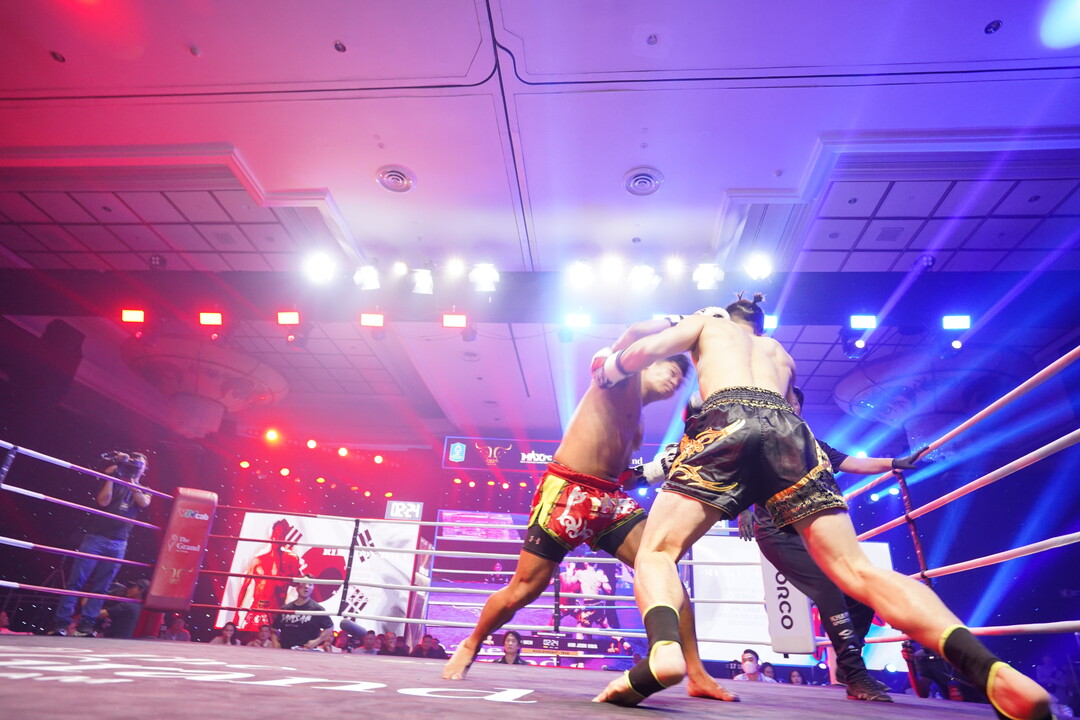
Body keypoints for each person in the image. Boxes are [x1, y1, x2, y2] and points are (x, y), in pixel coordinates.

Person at [591, 293, 1051, 720]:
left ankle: (665, 652)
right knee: (857, 570)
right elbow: (781, 421)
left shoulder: (709, 324)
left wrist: (607, 369)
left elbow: (643, 350)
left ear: (726, 317)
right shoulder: (780, 354)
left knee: (657, 551)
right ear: (761, 326)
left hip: (727, 420)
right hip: (792, 433)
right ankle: (989, 668)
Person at [443, 315, 737, 702]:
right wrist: (681, 321)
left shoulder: (638, 422)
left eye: (681, 379)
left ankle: (695, 672)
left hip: (609, 499)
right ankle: (472, 643)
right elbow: (631, 335)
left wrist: (654, 471)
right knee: (525, 589)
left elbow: (620, 472)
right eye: (670, 368)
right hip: (567, 491)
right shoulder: (618, 379)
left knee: (663, 570)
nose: (674, 380)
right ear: (648, 361)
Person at [733, 385, 928, 702]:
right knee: (829, 592)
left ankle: (851, 668)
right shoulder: (761, 443)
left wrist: (895, 462)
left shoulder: (815, 446)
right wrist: (743, 510)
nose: (790, 408)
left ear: (800, 409)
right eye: (783, 403)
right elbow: (739, 477)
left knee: (861, 592)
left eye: (794, 403)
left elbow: (853, 463)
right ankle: (855, 675)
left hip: (814, 533)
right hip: (778, 533)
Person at [50, 451, 151, 636]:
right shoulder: (114, 477)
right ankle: (61, 623)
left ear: (144, 469)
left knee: (102, 586)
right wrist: (114, 475)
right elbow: (103, 502)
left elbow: (144, 503)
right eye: (134, 462)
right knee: (76, 581)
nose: (136, 466)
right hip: (96, 537)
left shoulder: (145, 489)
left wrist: (131, 482)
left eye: (140, 464)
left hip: (119, 542)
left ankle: (86, 625)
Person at [234, 518, 303, 631]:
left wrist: (286, 575)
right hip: (257, 611)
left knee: (274, 638)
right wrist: (236, 613)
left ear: (284, 538)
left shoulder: (290, 559)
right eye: (276, 533)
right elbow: (244, 587)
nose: (278, 537)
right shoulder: (258, 560)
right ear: (271, 535)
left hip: (276, 611)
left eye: (281, 534)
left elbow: (297, 583)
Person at [273, 575, 334, 650]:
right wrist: (276, 643)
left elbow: (330, 627)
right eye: (304, 583)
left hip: (306, 651)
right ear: (297, 587)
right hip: (286, 650)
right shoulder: (286, 608)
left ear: (313, 588)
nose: (306, 586)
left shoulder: (317, 609)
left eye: (310, 584)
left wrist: (316, 641)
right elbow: (273, 628)